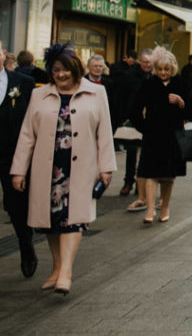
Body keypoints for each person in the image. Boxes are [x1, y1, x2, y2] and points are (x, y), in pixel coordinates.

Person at [10, 43, 116, 294]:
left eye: (65, 70)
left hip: (81, 168)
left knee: (73, 220)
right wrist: (18, 170)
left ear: (75, 68)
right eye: (55, 70)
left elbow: (105, 133)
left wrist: (106, 168)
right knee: (51, 221)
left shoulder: (96, 93)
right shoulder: (40, 95)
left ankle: (66, 272)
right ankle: (57, 268)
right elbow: (27, 135)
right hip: (48, 167)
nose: (60, 75)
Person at [132, 47, 192, 224]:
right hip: (153, 136)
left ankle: (164, 207)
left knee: (168, 175)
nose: (163, 73)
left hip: (173, 136)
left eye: (166, 69)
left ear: (172, 69)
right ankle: (150, 210)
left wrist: (181, 102)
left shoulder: (180, 84)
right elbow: (135, 109)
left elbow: (191, 112)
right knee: (150, 173)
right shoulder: (149, 84)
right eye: (159, 69)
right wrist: (144, 127)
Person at [0, 39, 40, 278]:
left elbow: (31, 122)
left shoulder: (23, 83)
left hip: (12, 155)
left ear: (4, 54)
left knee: (15, 206)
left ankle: (26, 246)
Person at [120, 50, 152, 207]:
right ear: (139, 62)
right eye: (145, 62)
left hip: (150, 120)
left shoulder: (154, 76)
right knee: (131, 151)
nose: (147, 65)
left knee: (146, 153)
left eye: (149, 62)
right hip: (134, 118)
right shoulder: (131, 76)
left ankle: (142, 184)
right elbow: (123, 97)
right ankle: (128, 181)